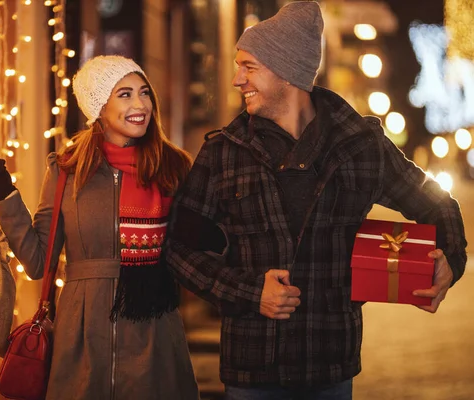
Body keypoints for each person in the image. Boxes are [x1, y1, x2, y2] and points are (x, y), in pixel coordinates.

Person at [163, 2, 467, 400]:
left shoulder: (360, 145)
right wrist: (251, 293)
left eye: (248, 66)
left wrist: (451, 257)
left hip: (331, 366)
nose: (237, 79)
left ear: (287, 71)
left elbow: (437, 205)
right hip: (252, 369)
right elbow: (179, 249)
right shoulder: (224, 152)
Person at [0, 55, 199, 400]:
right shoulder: (67, 169)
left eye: (144, 93)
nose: (140, 104)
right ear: (99, 107)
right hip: (80, 334)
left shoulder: (173, 167)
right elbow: (38, 262)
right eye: (124, 94)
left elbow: (194, 254)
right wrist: (5, 194)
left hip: (153, 331)